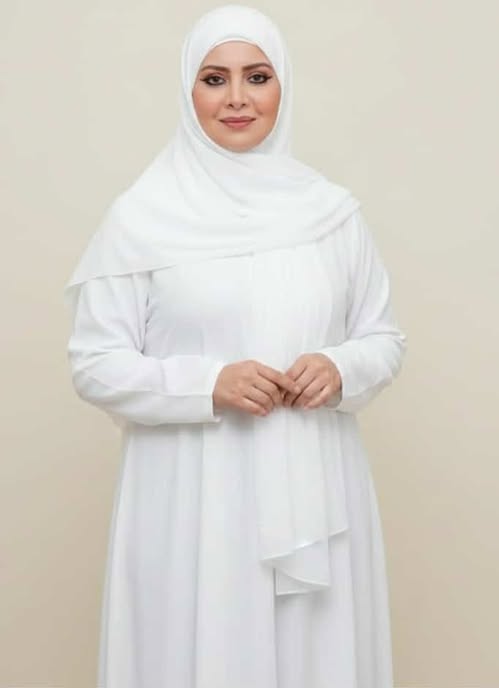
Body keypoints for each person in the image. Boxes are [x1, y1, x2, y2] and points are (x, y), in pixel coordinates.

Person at [64, 5, 407, 687]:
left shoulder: (331, 214)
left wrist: (340, 367)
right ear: (188, 91)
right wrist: (207, 384)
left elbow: (382, 337)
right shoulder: (141, 217)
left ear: (284, 86)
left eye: (258, 76)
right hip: (194, 496)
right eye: (214, 79)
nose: (238, 99)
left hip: (315, 492)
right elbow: (95, 362)